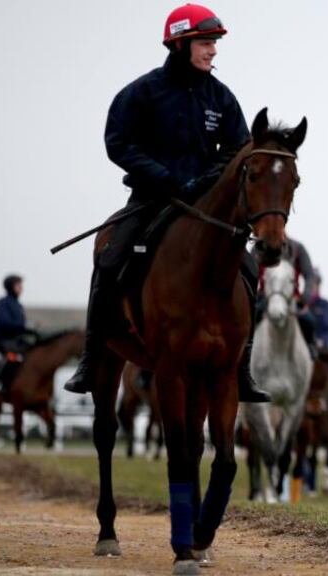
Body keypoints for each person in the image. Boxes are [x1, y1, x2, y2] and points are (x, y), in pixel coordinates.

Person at [63, 4, 270, 402]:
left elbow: (240, 148)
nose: (213, 51)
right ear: (180, 43)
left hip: (203, 206)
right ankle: (91, 357)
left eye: (214, 43)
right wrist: (166, 177)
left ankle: (241, 368)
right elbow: (118, 143)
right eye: (206, 43)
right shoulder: (141, 92)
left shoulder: (221, 96)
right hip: (150, 199)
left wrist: (208, 181)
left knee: (247, 266)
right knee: (110, 257)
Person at [249, 237, 320, 359]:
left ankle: (310, 347)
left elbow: (309, 275)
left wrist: (305, 297)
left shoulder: (298, 248)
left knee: (309, 321)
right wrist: (251, 295)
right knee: (250, 321)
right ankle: (245, 351)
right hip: (265, 296)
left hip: (292, 298)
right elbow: (249, 272)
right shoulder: (258, 249)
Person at [0, 275, 37, 391]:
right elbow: (5, 323)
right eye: (18, 285)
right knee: (13, 356)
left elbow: (20, 327)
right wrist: (24, 326)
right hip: (4, 339)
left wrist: (32, 330)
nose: (21, 288)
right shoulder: (3, 303)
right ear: (10, 287)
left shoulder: (18, 305)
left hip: (17, 340)